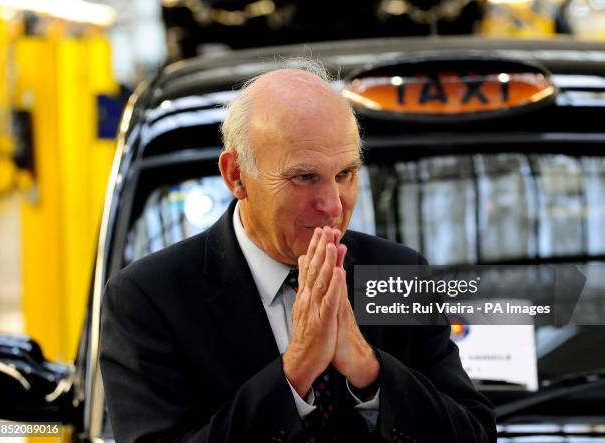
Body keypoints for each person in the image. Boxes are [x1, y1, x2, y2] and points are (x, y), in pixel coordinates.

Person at [99, 59, 497, 443]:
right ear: (236, 176)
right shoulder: (150, 298)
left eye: (345, 174)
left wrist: (369, 369)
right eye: (304, 177)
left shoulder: (396, 273)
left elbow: (474, 434)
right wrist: (296, 370)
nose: (333, 204)